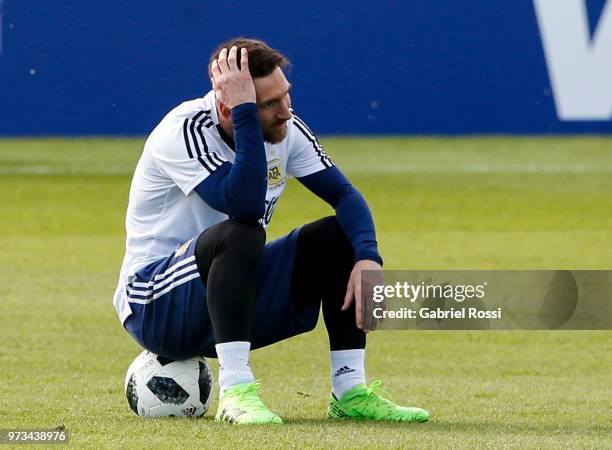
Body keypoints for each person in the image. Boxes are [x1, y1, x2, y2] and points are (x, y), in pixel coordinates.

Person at [113, 37, 430, 425]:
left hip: (227, 294)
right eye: (270, 104)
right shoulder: (183, 129)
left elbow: (345, 196)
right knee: (243, 232)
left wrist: (368, 257)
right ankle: (236, 392)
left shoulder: (286, 127)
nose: (287, 112)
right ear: (230, 106)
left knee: (338, 236)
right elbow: (242, 203)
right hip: (155, 304)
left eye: (287, 96)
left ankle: (350, 390)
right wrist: (246, 112)